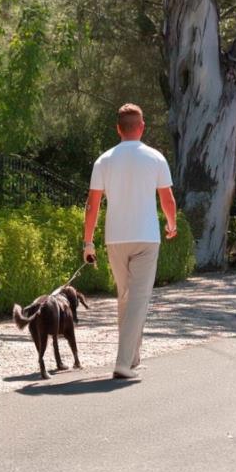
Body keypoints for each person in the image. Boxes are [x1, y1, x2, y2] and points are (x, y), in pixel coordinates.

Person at [82, 103, 178, 381]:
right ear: (142, 127)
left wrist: (88, 242)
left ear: (118, 129)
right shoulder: (155, 157)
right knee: (138, 298)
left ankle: (132, 358)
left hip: (115, 239)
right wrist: (171, 225)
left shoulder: (104, 160)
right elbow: (167, 200)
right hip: (147, 237)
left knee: (125, 297)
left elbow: (92, 205)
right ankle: (123, 363)